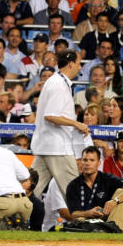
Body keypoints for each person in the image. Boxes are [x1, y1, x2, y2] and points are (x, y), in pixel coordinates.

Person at [33, 49, 86, 199]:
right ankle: (83, 221)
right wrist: (77, 124)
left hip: (45, 146)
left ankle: (14, 217)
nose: (80, 67)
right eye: (78, 63)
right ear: (70, 64)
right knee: (74, 193)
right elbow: (51, 115)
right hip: (58, 148)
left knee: (30, 190)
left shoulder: (56, 81)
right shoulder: (58, 85)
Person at [64, 146, 123, 230]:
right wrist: (88, 213)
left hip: (108, 219)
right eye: (85, 160)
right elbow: (73, 214)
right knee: (79, 220)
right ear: (81, 162)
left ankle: (112, 228)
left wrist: (115, 201)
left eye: (92, 160)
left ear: (99, 163)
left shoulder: (108, 178)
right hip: (86, 220)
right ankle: (111, 230)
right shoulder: (73, 185)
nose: (88, 163)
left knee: (120, 192)